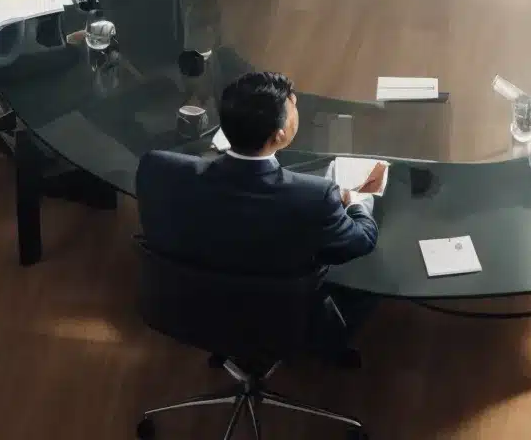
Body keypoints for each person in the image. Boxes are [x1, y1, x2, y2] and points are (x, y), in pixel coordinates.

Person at [136, 71, 386, 363]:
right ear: (279, 134)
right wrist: (357, 201)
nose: (297, 111)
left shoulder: (159, 168)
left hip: (185, 310)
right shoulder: (315, 197)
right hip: (285, 324)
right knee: (370, 278)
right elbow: (362, 241)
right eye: (294, 108)